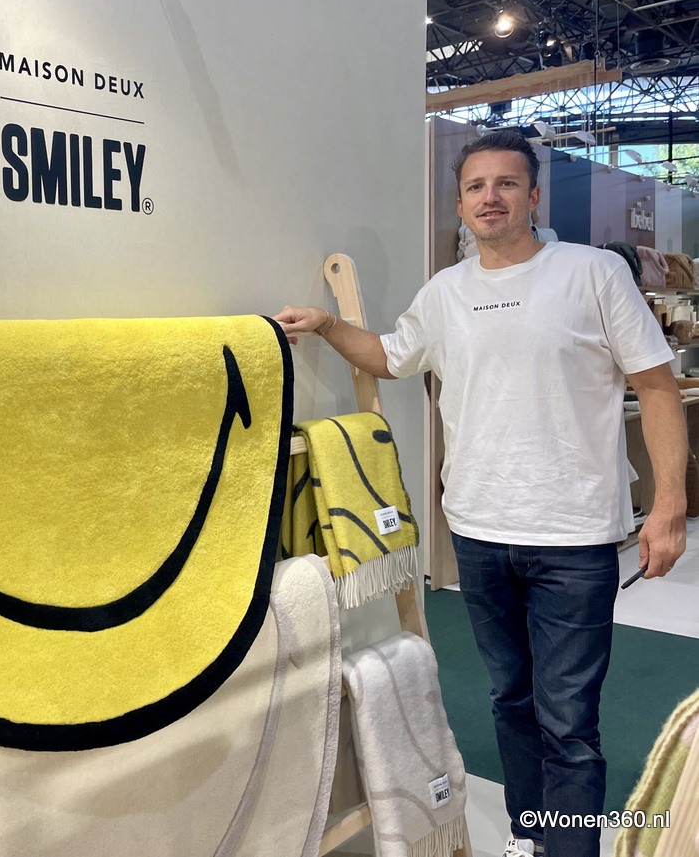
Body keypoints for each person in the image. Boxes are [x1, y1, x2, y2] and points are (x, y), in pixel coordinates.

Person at [276, 131, 687, 857]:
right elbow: (392, 357)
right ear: (461, 205)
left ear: (534, 197)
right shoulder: (445, 293)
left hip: (574, 537)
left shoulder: (592, 274)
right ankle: (531, 836)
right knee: (511, 701)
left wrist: (669, 507)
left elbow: (656, 387)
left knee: (569, 721)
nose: (489, 197)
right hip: (478, 530)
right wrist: (331, 324)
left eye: (506, 183)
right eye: (475, 187)